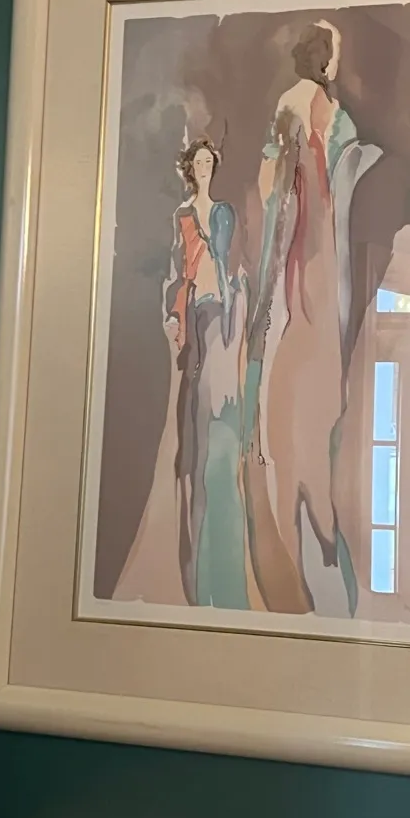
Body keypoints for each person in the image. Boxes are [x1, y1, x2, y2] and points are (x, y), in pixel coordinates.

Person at [247, 20, 365, 612]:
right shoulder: (318, 107)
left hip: (306, 244)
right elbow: (296, 185)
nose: (337, 60)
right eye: (334, 51)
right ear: (323, 57)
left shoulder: (296, 103)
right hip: (313, 245)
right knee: (308, 342)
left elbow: (277, 184)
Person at [162, 137, 250, 609]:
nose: (203, 168)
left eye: (208, 162)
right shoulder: (182, 215)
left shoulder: (223, 213)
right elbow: (176, 268)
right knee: (192, 403)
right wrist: (175, 312)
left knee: (213, 406)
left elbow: (228, 264)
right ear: (188, 168)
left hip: (217, 305)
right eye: (197, 162)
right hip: (192, 305)